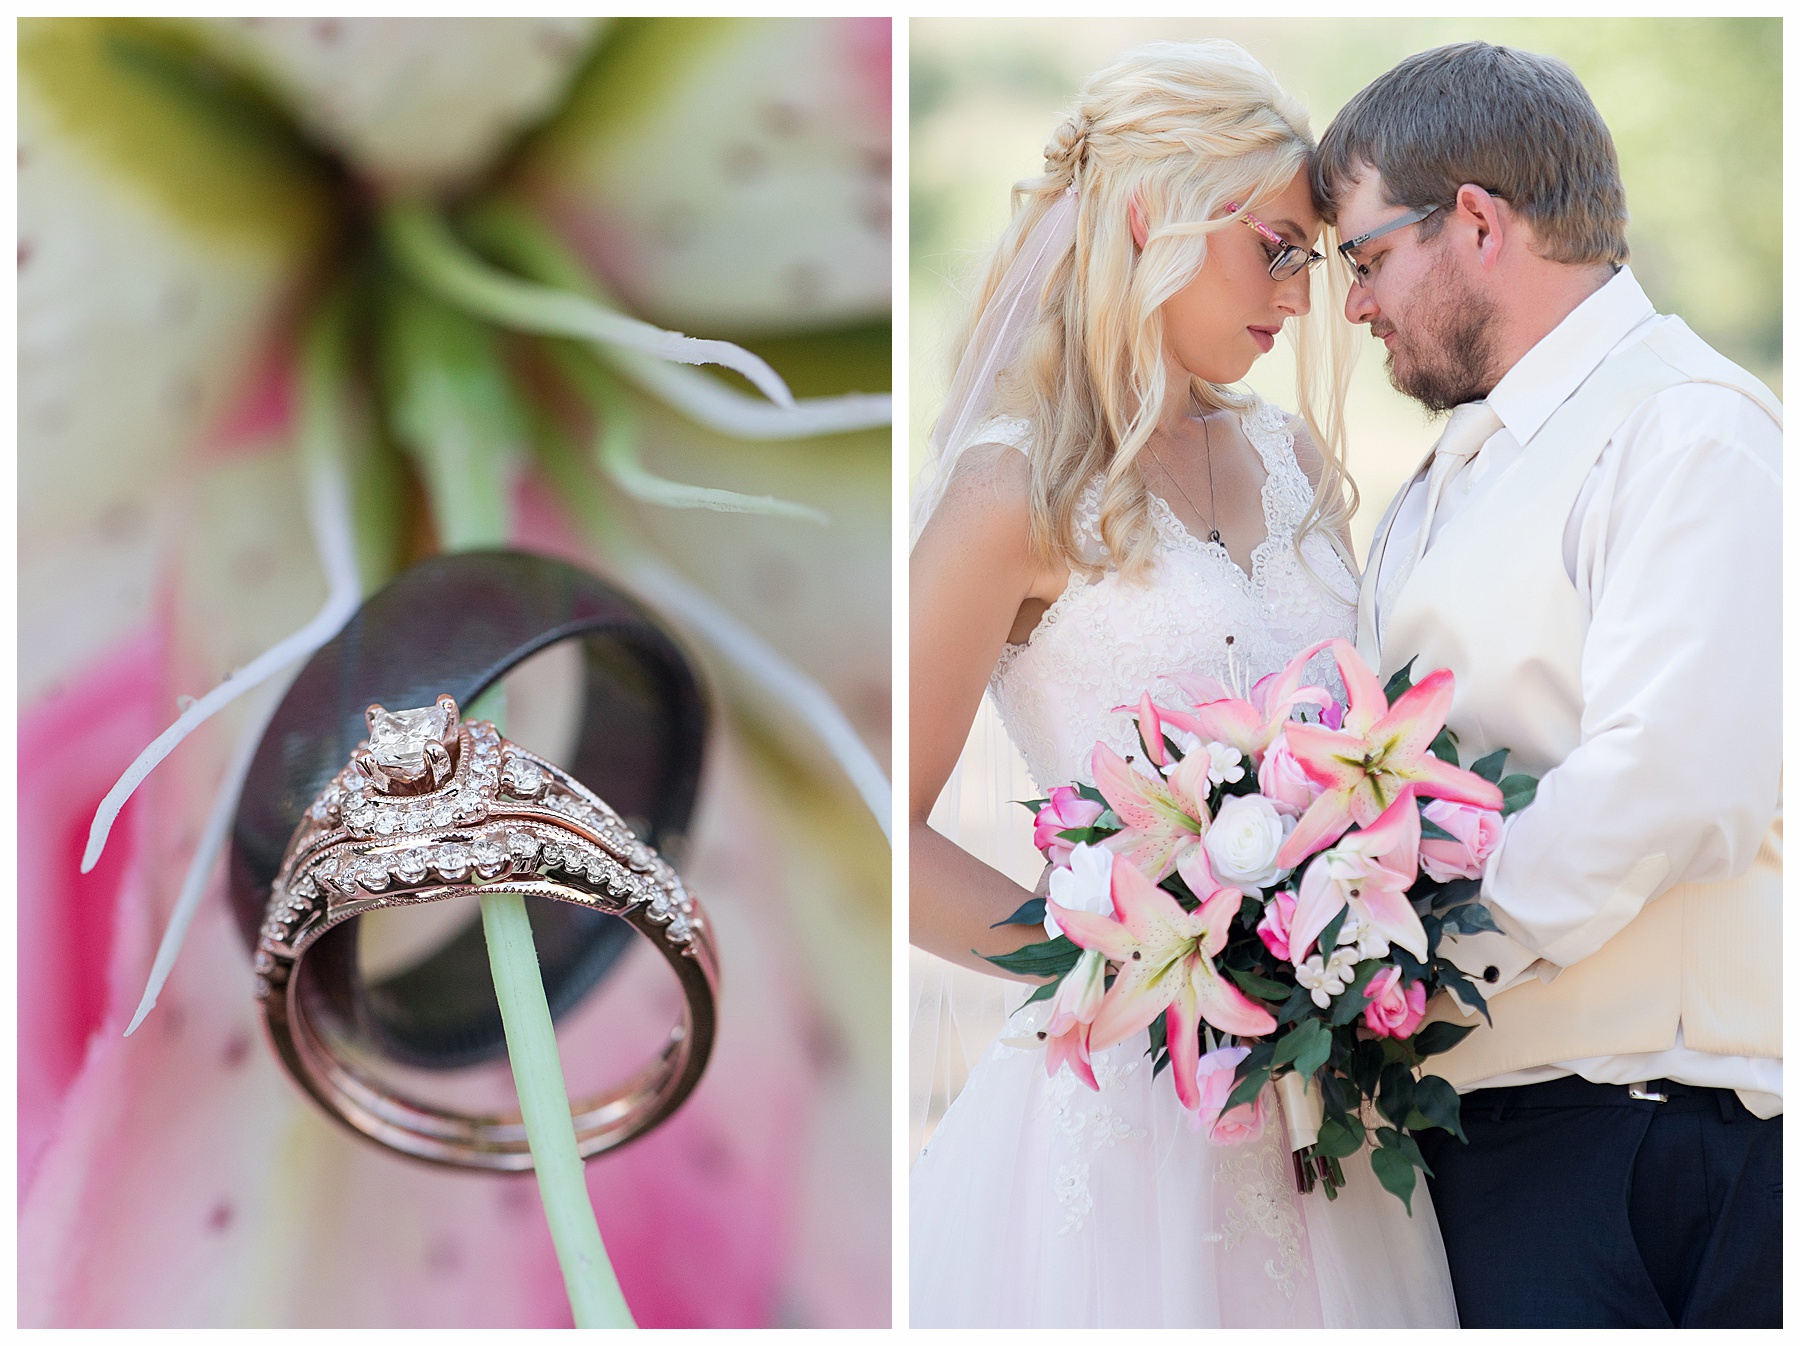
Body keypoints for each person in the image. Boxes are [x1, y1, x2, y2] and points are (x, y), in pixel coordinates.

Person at [908, 41, 1457, 1327]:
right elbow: (879, 831)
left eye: (1315, 260)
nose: (1304, 297)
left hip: (1325, 1089)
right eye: (1276, 247)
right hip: (1119, 1103)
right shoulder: (1014, 491)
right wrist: (1110, 961)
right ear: (1156, 216)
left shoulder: (1286, 451)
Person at [1311, 41, 1782, 1329]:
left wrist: (1395, 967)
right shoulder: (1453, 473)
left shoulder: (1688, 428)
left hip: (1641, 1151)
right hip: (1500, 1146)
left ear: (1475, 222)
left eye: (1362, 258)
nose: (1352, 308)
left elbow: (1679, 779)